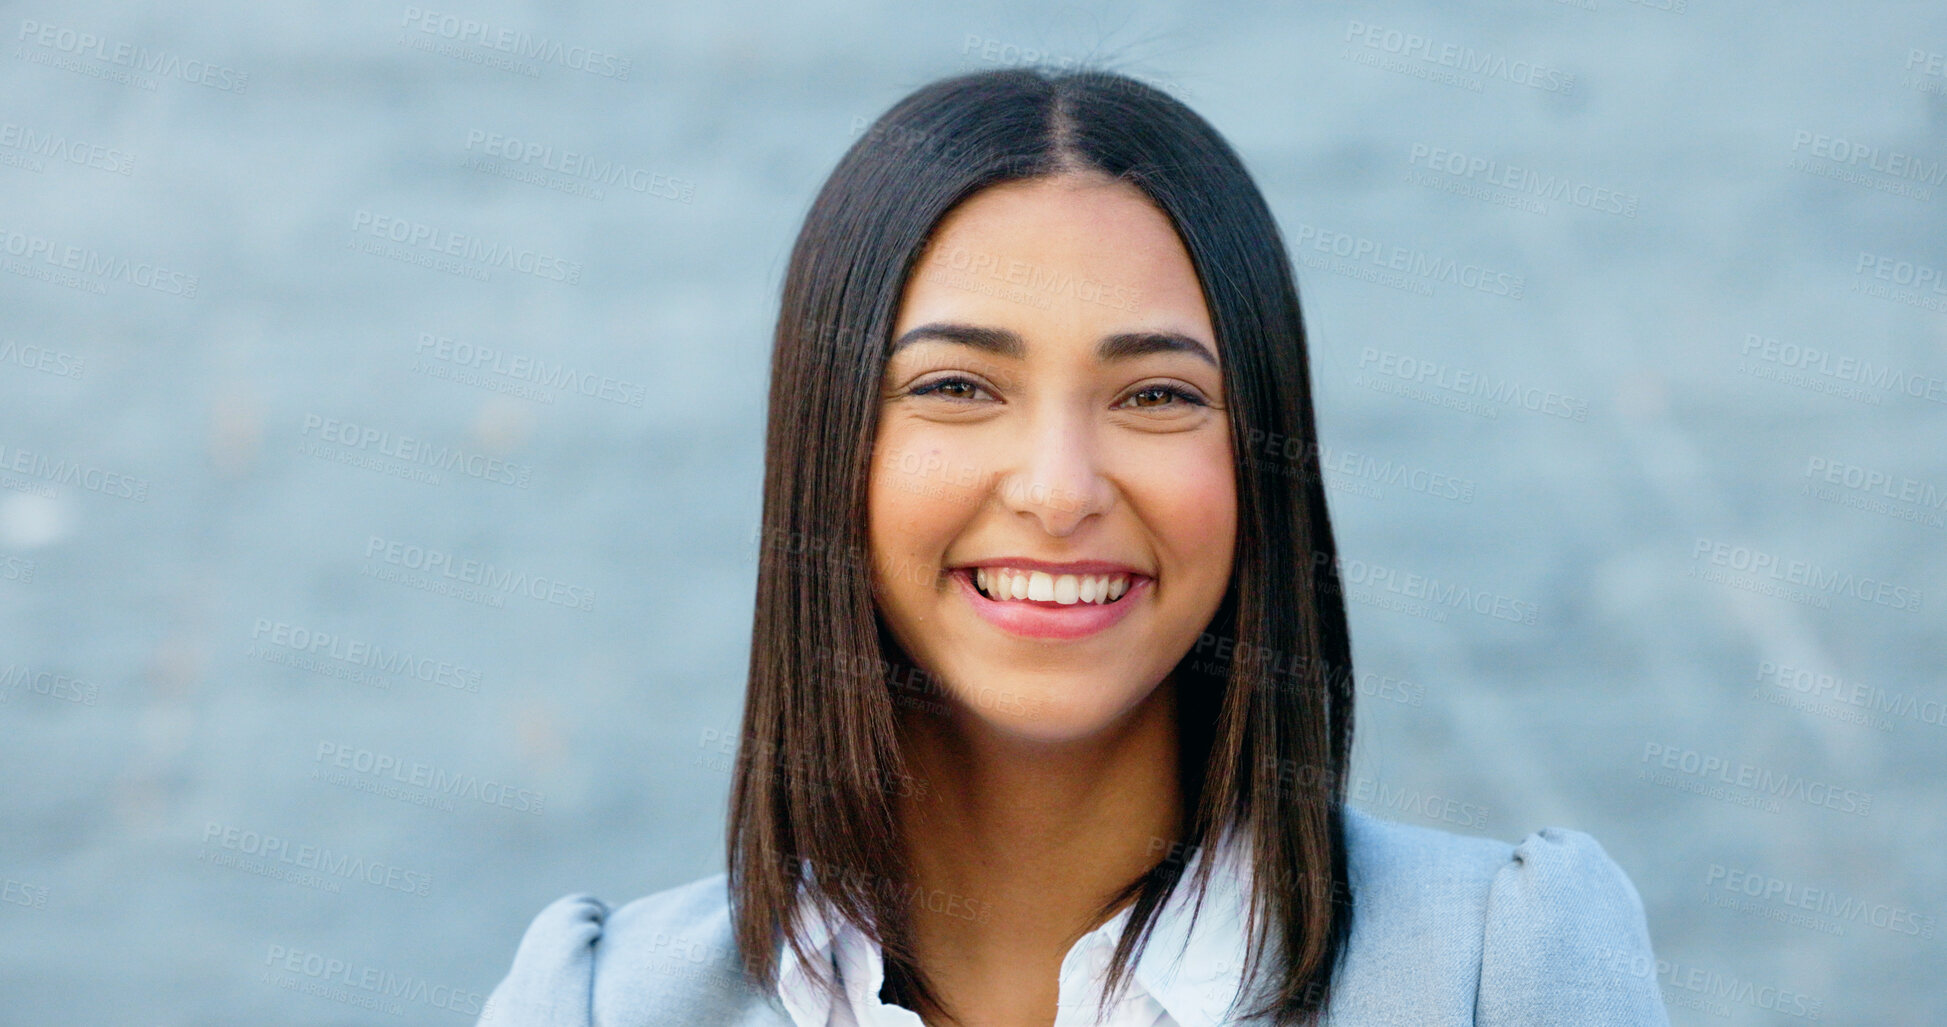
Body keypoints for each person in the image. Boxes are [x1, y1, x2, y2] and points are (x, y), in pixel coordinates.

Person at [474, 67, 1669, 1026]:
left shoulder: (1497, 971)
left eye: (1156, 396)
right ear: (827, 447)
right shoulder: (594, 1002)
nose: (1059, 489)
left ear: (1264, 461)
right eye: (955, 384)